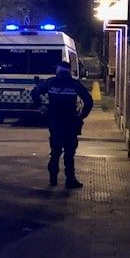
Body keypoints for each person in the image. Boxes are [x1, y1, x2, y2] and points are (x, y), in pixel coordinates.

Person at [31, 61, 93, 189]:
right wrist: (81, 115)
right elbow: (88, 101)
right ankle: (70, 179)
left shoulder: (51, 82)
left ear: (58, 70)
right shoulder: (74, 84)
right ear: (69, 71)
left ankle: (53, 177)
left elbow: (34, 92)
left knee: (55, 151)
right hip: (70, 122)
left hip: (55, 122)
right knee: (69, 152)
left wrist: (40, 106)